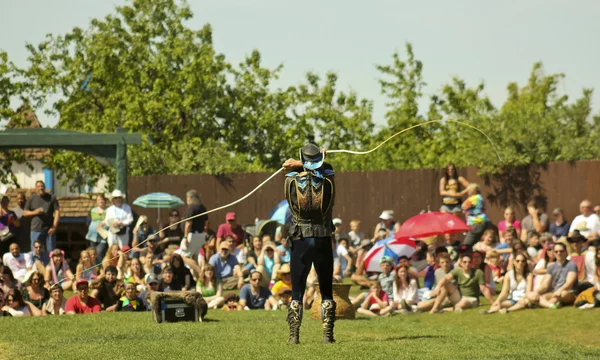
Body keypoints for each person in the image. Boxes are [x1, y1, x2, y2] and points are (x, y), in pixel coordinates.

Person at [282, 143, 336, 344]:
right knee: (326, 288)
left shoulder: (290, 180)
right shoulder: (329, 176)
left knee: (297, 289)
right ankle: (327, 335)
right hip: (322, 236)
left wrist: (298, 164)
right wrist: (320, 158)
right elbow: (325, 167)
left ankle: (294, 336)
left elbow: (292, 171)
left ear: (302, 159)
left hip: (300, 237)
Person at [23, 180, 60, 251]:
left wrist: (54, 227)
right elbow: (25, 213)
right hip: (36, 230)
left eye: (42, 186)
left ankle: (50, 262)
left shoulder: (52, 198)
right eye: (38, 186)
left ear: (45, 187)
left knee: (50, 252)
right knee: (35, 252)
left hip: (49, 229)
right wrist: (35, 212)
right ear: (36, 188)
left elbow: (57, 212)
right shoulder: (32, 198)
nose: (41, 188)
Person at [85, 194, 108, 260]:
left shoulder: (109, 210)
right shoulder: (92, 210)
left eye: (102, 199)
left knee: (99, 252)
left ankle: (100, 268)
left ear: (105, 201)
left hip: (103, 237)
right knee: (92, 254)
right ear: (97, 201)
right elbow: (88, 221)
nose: (101, 201)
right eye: (99, 200)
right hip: (92, 236)